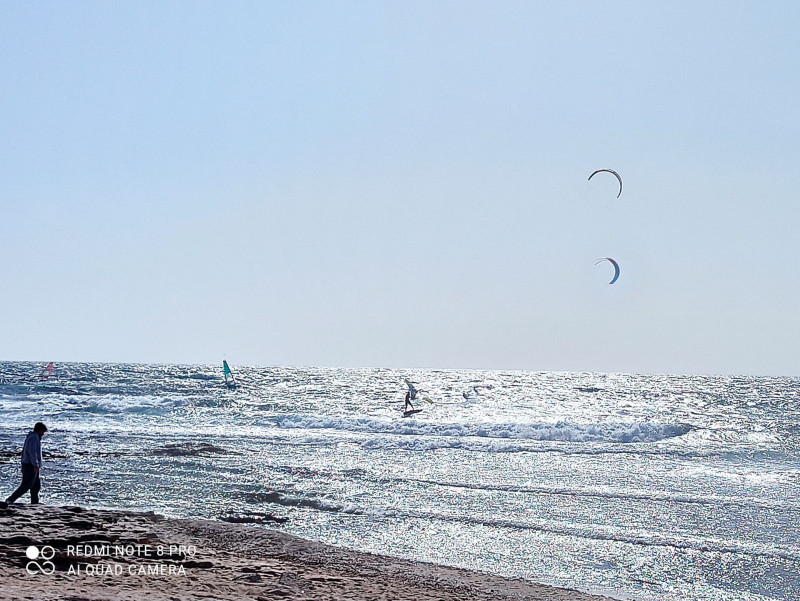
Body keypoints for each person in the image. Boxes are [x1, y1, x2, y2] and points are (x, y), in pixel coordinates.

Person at [3, 422, 48, 506]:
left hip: (30, 464)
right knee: (26, 486)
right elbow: (32, 452)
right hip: (30, 465)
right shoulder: (34, 438)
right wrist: (35, 464)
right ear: (39, 430)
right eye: (43, 431)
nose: (43, 434)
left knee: (35, 486)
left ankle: (34, 503)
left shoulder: (32, 437)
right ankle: (10, 500)